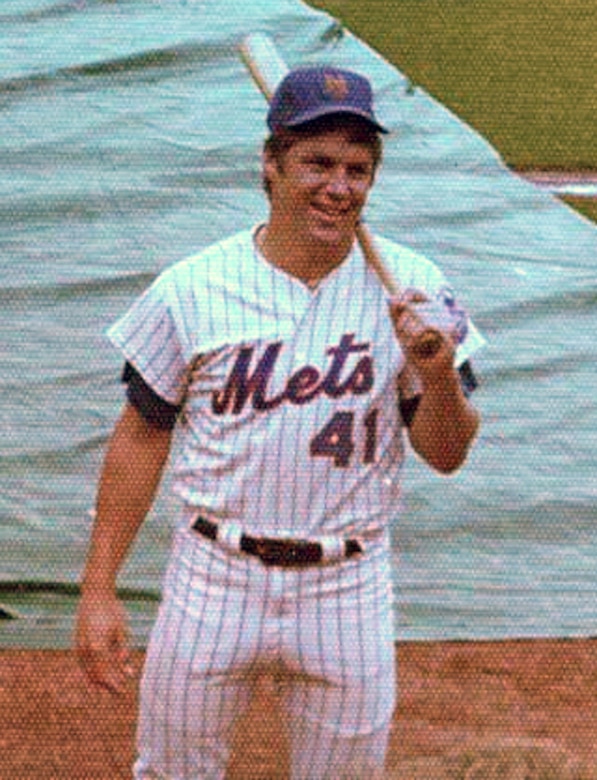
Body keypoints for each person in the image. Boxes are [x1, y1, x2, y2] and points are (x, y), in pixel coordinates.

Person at [75, 65, 484, 779]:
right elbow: (142, 433)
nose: (337, 186)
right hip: (213, 575)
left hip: (346, 586)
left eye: (357, 169)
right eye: (317, 163)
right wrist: (99, 585)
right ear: (269, 164)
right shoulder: (194, 288)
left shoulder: (416, 292)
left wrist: (438, 372)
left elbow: (445, 454)